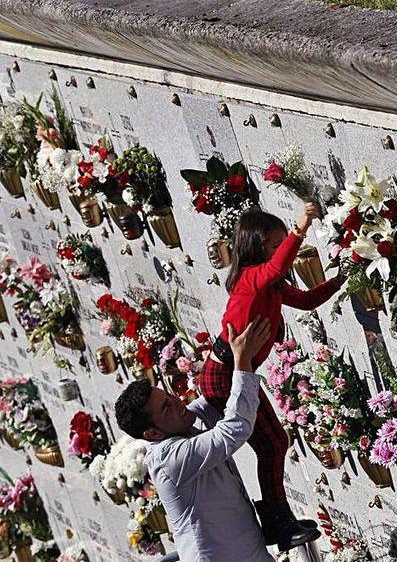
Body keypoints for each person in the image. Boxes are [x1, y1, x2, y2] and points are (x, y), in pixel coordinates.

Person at [198, 203, 344, 549]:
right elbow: (280, 265)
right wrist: (303, 225)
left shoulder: (271, 285)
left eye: (283, 243)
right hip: (223, 372)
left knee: (272, 444)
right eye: (277, 244)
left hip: (231, 370)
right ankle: (277, 523)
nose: (283, 251)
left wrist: (343, 278)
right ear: (260, 247)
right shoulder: (252, 279)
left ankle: (279, 521)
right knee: (273, 443)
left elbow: (308, 301)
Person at [115, 318, 275, 562]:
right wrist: (243, 360)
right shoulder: (169, 459)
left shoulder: (179, 421)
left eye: (169, 396)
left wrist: (228, 347)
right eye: (166, 407)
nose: (178, 402)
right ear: (153, 434)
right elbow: (234, 430)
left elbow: (214, 397)